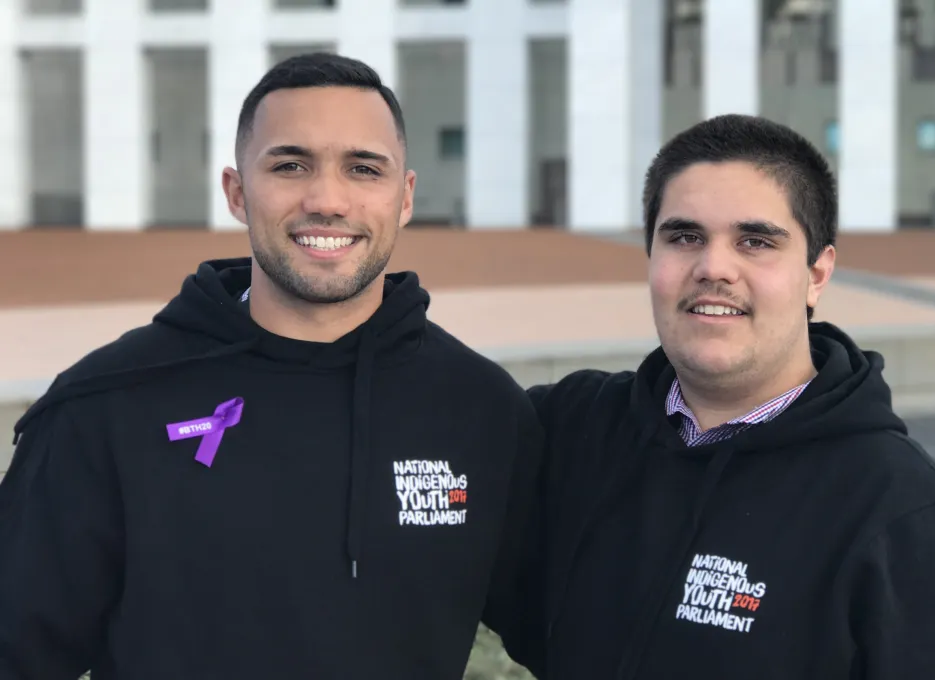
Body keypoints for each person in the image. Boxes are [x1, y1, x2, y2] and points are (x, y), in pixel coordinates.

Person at [0, 53, 544, 680]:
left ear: (405, 197)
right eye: (290, 165)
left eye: (364, 169)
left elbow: (575, 629)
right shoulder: (106, 405)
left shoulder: (480, 409)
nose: (327, 200)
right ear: (237, 192)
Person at [526, 114, 935, 679]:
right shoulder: (570, 431)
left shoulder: (913, 518)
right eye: (684, 237)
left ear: (817, 274)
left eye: (755, 242)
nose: (713, 267)